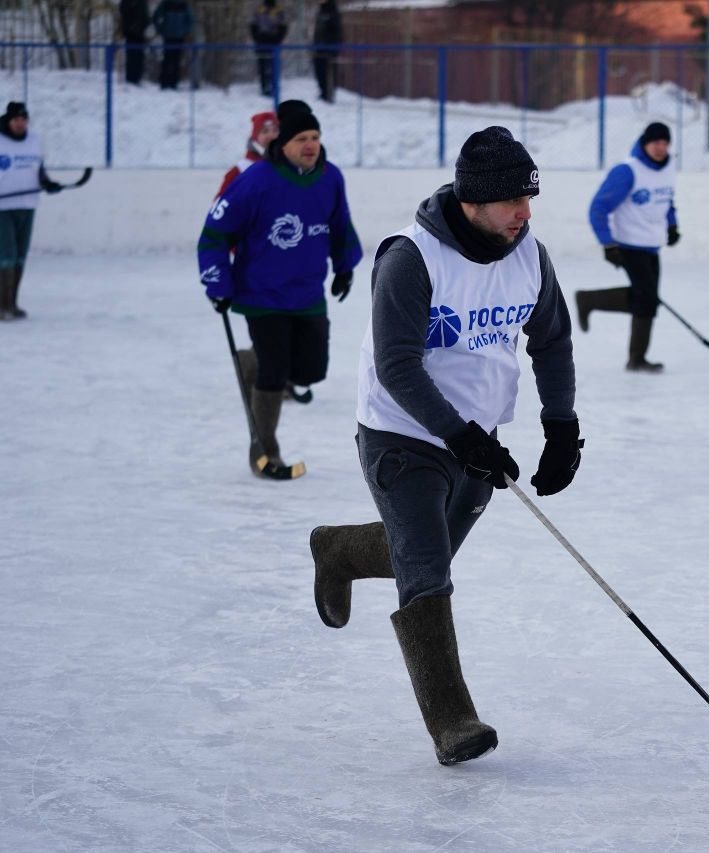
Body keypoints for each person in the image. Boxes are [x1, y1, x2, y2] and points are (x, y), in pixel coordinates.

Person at [309, 126, 580, 766]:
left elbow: (552, 341)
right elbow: (399, 368)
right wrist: (460, 437)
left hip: (477, 438)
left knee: (424, 548)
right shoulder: (412, 259)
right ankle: (452, 720)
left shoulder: (528, 254)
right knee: (427, 566)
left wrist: (562, 427)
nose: (526, 211)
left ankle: (339, 550)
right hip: (402, 433)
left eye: (530, 198)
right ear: (475, 198)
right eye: (513, 199)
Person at [196, 100, 363, 478]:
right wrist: (218, 283)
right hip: (262, 295)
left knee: (309, 371)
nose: (310, 144)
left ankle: (250, 361)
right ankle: (265, 452)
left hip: (307, 294)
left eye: (316, 137)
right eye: (301, 138)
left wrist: (344, 267)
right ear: (283, 144)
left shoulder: (330, 178)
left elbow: (340, 225)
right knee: (275, 373)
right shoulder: (256, 180)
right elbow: (215, 235)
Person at [576, 121, 679, 372]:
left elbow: (667, 200)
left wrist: (672, 225)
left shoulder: (668, 168)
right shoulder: (627, 171)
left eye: (665, 143)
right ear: (645, 143)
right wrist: (608, 243)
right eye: (656, 142)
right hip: (629, 245)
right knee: (646, 299)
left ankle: (590, 302)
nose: (660, 148)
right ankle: (636, 358)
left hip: (652, 245)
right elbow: (598, 208)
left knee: (647, 301)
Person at [0, 101, 63, 321]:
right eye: (16, 120)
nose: (20, 123)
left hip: (28, 206)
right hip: (2, 208)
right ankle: (3, 308)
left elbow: (38, 170)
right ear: (9, 121)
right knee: (7, 255)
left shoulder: (35, 141)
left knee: (20, 256)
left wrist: (48, 183)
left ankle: (13, 304)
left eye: (23, 119)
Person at [215, 111, 277, 198]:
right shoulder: (240, 170)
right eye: (265, 131)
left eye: (275, 130)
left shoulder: (288, 167)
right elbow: (219, 205)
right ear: (255, 137)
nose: (271, 135)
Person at [151, 0, 193, 91]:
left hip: (171, 35)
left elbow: (155, 17)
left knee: (169, 60)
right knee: (173, 60)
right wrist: (185, 31)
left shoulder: (180, 4)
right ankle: (171, 83)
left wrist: (161, 29)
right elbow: (191, 20)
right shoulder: (170, 4)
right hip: (173, 36)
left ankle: (167, 83)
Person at [250, 0, 288, 98]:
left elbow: (283, 27)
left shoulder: (279, 11)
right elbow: (253, 26)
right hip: (261, 43)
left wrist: (277, 39)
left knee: (274, 66)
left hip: (274, 44)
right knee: (262, 65)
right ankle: (264, 88)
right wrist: (258, 38)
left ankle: (274, 87)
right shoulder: (259, 10)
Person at [312, 0, 343, 104]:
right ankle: (323, 92)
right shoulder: (320, 11)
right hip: (319, 47)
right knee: (319, 71)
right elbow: (318, 30)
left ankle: (329, 95)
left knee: (329, 71)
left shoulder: (333, 11)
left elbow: (337, 30)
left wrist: (332, 46)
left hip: (329, 48)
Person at [119, 0, 150, 85]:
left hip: (136, 32)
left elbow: (145, 16)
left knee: (136, 56)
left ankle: (135, 78)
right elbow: (123, 12)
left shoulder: (141, 2)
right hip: (133, 32)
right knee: (133, 56)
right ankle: (132, 78)